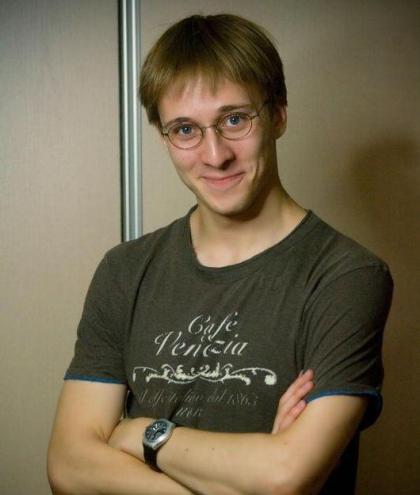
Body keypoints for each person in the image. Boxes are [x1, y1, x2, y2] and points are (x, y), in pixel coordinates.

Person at [47, 13, 393, 495]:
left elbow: (285, 476)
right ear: (164, 137)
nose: (214, 155)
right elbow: (68, 466)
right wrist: (245, 473)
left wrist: (143, 435)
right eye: (185, 129)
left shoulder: (346, 276)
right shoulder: (124, 270)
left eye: (234, 120)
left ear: (278, 115)